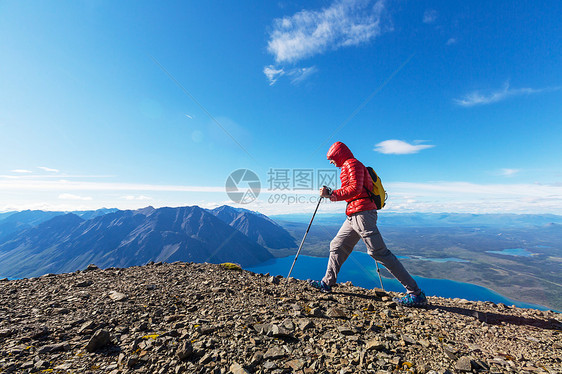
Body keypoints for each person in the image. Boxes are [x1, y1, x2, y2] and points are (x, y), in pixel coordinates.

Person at [307, 141, 427, 307]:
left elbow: (355, 189)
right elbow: (354, 190)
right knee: (337, 245)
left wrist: (330, 193)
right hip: (354, 215)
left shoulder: (352, 164)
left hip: (362, 215)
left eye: (331, 158)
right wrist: (333, 194)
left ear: (338, 154)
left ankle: (415, 293)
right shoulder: (349, 166)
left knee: (379, 253)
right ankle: (327, 283)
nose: (330, 162)